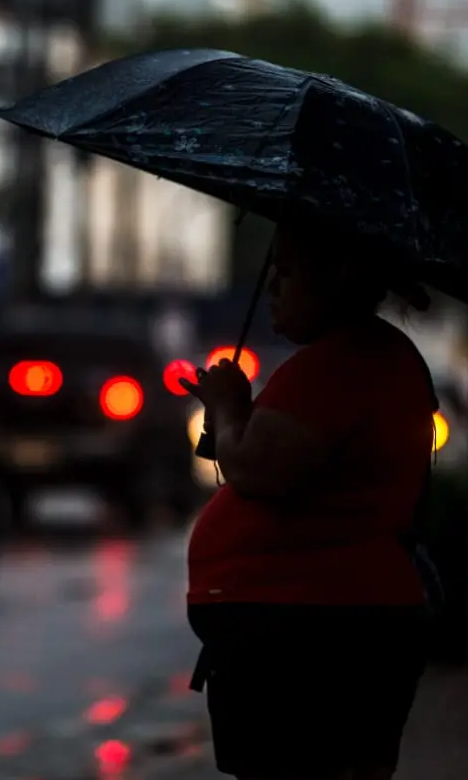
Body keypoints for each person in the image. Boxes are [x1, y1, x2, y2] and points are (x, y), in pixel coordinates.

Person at [181, 217, 439, 780]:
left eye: (289, 272)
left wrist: (226, 406)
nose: (272, 285)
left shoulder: (342, 364)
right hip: (316, 627)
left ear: (339, 277)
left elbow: (255, 466)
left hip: (314, 638)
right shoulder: (354, 359)